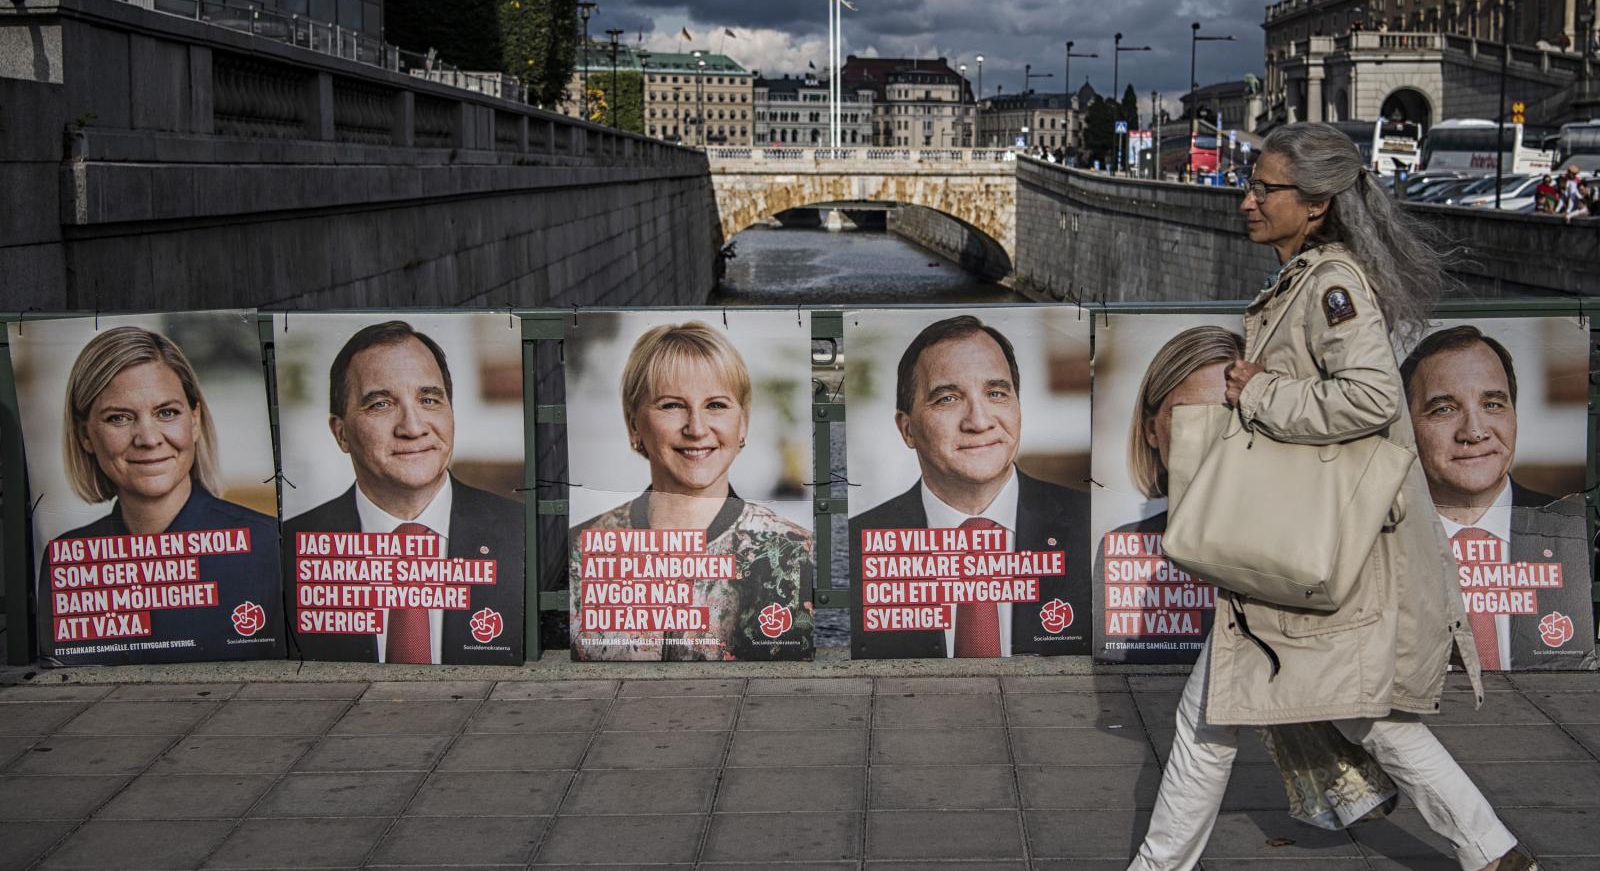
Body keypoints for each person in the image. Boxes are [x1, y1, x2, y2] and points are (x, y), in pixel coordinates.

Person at [1129, 122, 1537, 870]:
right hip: (1307, 538)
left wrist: (1262, 393)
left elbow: (1373, 398)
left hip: (1312, 541)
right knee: (1355, 715)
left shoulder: (1332, 285)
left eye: (1264, 188)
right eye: (1251, 185)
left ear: (1315, 204)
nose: (1247, 199)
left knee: (1219, 716)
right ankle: (1497, 855)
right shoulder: (1307, 277)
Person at [282, 320, 523, 665]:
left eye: (428, 399)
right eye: (381, 404)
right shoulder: (288, 553)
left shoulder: (523, 534)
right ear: (341, 434)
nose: (412, 427)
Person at [569, 320, 813, 661]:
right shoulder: (581, 550)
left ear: (742, 422)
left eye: (716, 405)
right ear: (633, 423)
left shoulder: (792, 553)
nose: (696, 428)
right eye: (671, 405)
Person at [849, 315, 1089, 659]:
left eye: (995, 393)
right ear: (907, 430)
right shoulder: (856, 550)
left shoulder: (1093, 529)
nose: (979, 421)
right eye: (947, 398)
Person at [47, 326, 281, 661]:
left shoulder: (267, 545)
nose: (148, 438)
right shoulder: (68, 561)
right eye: (118, 418)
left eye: (166, 413)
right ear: (85, 435)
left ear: (195, 420)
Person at [1400, 325, 1596, 671]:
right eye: (1444, 409)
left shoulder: (1571, 530)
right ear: (1406, 428)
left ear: (1514, 416)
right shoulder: (1375, 541)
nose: (1474, 432)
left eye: (1492, 404)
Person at [1094, 325, 1242, 663]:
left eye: (1227, 414)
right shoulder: (1125, 550)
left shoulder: (1292, 543)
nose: (1209, 436)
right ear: (1152, 431)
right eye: (1188, 416)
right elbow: (1118, 674)